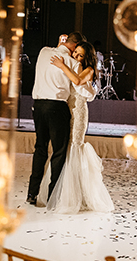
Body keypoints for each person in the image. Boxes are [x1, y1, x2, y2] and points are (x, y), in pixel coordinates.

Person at [36, 41, 114, 213]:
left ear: (87, 58)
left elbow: (77, 81)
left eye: (80, 55)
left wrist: (62, 65)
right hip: (67, 111)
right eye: (75, 53)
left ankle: (76, 195)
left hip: (78, 113)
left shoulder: (88, 70)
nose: (76, 57)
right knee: (63, 150)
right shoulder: (72, 66)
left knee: (74, 147)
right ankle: (60, 192)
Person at [26, 32, 85, 205]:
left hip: (38, 105)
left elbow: (56, 49)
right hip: (57, 107)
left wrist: (60, 43)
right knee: (58, 152)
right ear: (76, 46)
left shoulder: (44, 51)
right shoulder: (74, 64)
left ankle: (32, 193)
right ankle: (53, 195)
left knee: (40, 148)